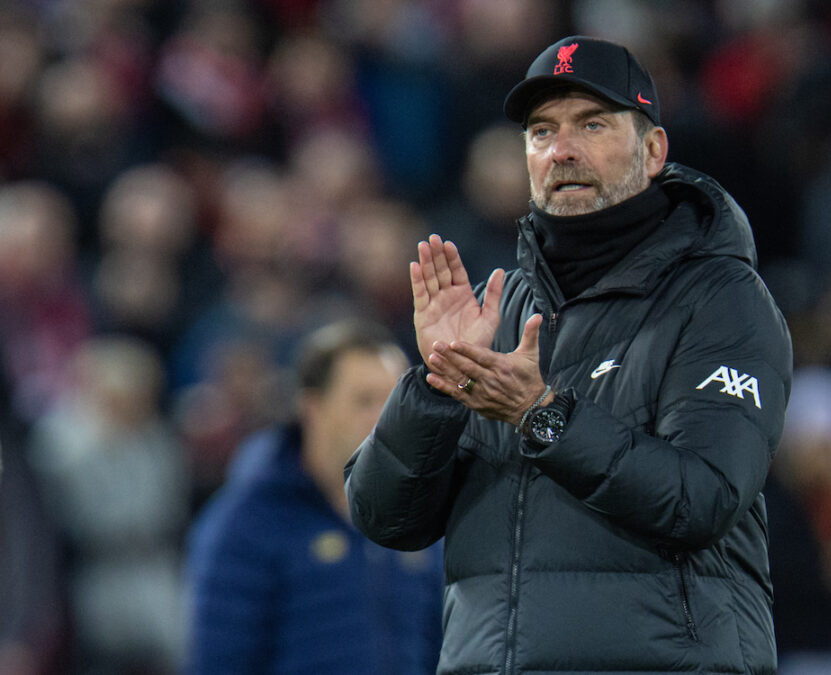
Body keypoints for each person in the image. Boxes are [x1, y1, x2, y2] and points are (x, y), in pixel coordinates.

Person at [346, 35, 793, 674]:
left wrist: (542, 414)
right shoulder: (496, 311)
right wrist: (438, 385)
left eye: (593, 124)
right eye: (541, 131)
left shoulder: (720, 297)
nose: (562, 150)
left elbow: (701, 498)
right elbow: (382, 517)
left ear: (655, 149)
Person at [185, 320, 443, 674]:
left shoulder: (420, 519)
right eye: (364, 401)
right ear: (312, 406)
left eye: (395, 400)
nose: (385, 418)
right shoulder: (247, 522)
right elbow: (221, 659)